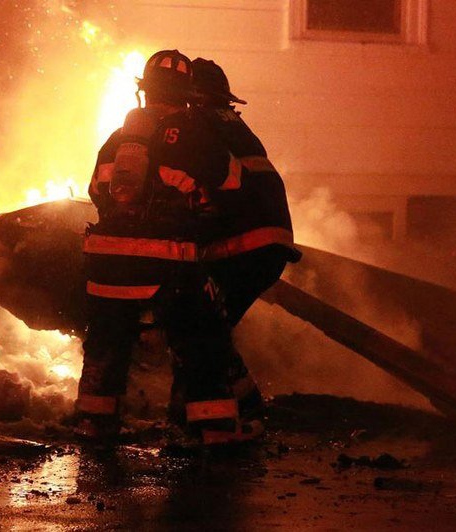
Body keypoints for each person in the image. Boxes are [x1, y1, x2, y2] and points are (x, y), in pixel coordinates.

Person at [76, 50, 244, 444]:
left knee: (106, 345)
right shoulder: (194, 133)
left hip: (106, 266)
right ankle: (215, 435)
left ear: (144, 91)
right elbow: (231, 185)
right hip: (169, 264)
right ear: (187, 94)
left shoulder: (118, 138)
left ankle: (93, 428)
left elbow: (96, 191)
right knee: (202, 342)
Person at [172, 58, 301, 425]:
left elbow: (204, 184)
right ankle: (239, 409)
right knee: (211, 328)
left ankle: (219, 421)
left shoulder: (196, 126)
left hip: (242, 245)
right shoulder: (232, 125)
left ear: (191, 98)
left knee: (199, 330)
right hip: (268, 245)